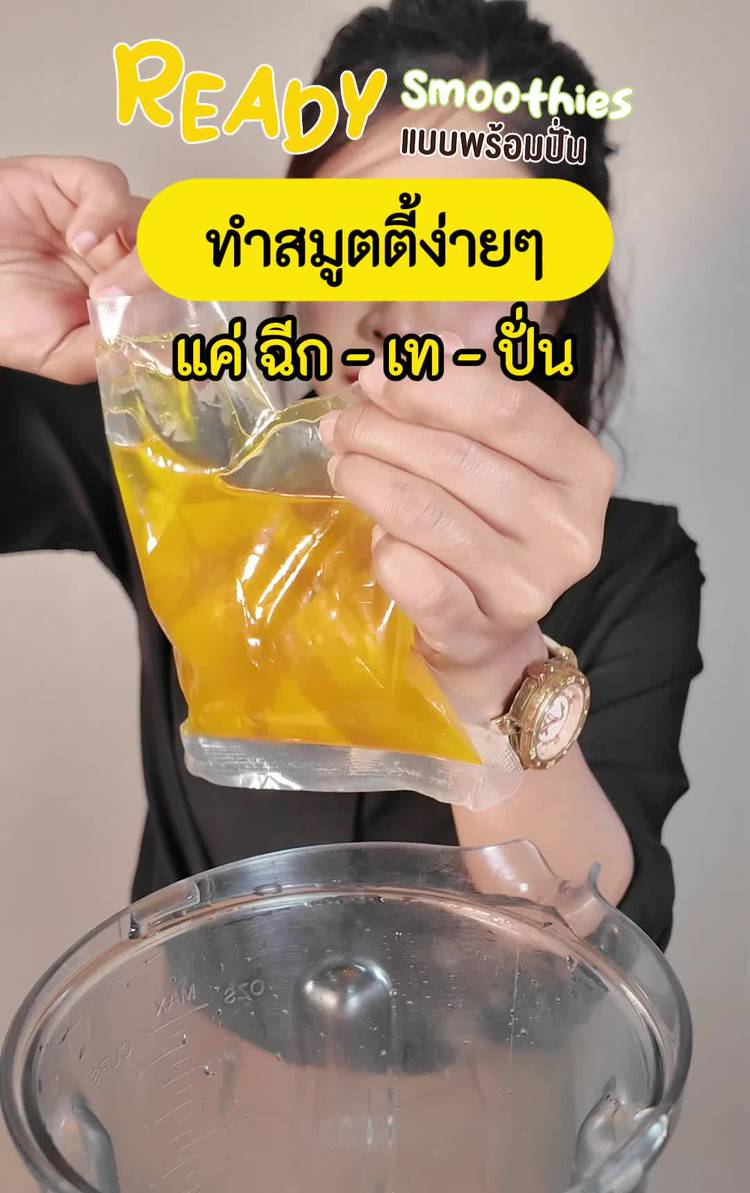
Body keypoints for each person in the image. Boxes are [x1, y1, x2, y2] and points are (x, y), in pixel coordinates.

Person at [0, 0, 702, 950]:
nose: (398, 310)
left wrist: (498, 671)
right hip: (174, 1033)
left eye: (472, 247)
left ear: (547, 306)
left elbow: (603, 942)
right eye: (351, 239)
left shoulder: (639, 564)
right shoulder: (181, 456)